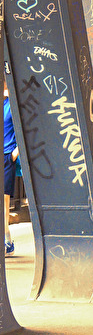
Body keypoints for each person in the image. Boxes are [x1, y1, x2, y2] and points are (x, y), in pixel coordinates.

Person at [3, 87, 14, 256]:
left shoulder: (10, 104)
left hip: (6, 156)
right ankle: (8, 242)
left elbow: (24, 128)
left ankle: (6, 243)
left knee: (3, 204)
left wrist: (14, 153)